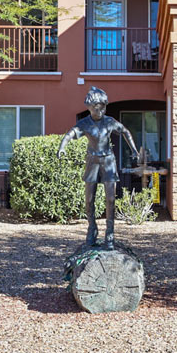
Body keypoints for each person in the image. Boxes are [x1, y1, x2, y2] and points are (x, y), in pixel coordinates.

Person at [57, 86, 140, 249]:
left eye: (104, 106)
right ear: (90, 107)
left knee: (110, 199)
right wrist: (62, 147)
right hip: (92, 161)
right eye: (98, 107)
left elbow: (125, 131)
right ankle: (92, 229)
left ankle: (110, 233)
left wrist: (134, 150)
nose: (101, 109)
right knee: (89, 200)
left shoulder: (109, 121)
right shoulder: (85, 123)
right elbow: (70, 135)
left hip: (108, 161)